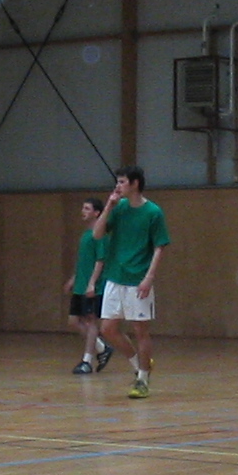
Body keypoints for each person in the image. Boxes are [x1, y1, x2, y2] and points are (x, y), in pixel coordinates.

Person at [95, 167, 168, 399]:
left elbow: (159, 247)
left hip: (138, 279)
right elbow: (97, 234)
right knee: (107, 329)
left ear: (135, 184)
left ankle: (143, 380)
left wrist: (149, 277)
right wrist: (109, 206)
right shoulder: (119, 209)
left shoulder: (153, 212)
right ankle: (140, 366)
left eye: (122, 182)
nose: (118, 186)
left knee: (140, 330)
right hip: (115, 277)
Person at [66, 198, 111, 374]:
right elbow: (84, 261)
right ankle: (102, 348)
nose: (82, 211)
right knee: (73, 321)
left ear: (96, 213)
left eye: (87, 208)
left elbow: (100, 260)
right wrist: (74, 279)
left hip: (93, 285)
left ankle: (87, 361)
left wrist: (92, 283)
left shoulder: (99, 235)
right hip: (81, 284)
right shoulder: (85, 234)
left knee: (91, 321)